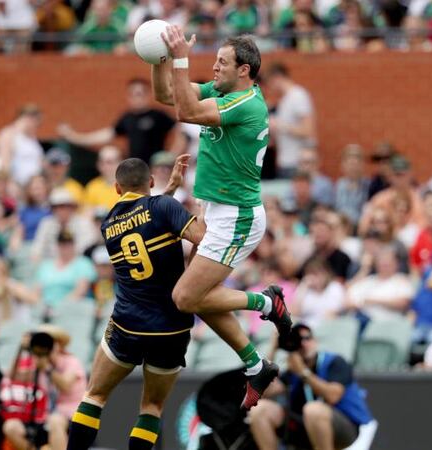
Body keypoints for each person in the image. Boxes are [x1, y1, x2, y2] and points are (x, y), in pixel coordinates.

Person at [67, 157, 272, 450]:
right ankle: (263, 303)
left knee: (94, 397)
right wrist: (202, 209)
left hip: (128, 323)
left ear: (116, 188)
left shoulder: (108, 222)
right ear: (150, 182)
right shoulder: (163, 207)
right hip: (170, 328)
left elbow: (144, 220)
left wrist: (170, 192)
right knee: (151, 407)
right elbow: (198, 235)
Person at [152, 32, 292, 408]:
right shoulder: (226, 94)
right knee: (199, 299)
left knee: (184, 297)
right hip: (216, 211)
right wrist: (157, 57)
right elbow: (168, 96)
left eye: (222, 63)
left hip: (237, 216)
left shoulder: (246, 103)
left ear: (244, 70)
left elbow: (186, 113)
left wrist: (181, 59)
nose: (213, 67)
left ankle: (265, 303)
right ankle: (255, 366)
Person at [249, 324, 374, 450]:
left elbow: (333, 396)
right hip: (305, 425)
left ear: (315, 342)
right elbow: (262, 393)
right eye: (298, 340)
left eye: (307, 338)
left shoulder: (334, 362)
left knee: (313, 410)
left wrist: (303, 372)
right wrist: (273, 348)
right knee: (259, 410)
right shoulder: (293, 370)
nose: (303, 344)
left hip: (345, 426)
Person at [57, 78, 176, 164]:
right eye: (132, 94)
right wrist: (75, 136)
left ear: (148, 95)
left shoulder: (158, 115)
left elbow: (180, 131)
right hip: (136, 168)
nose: (136, 98)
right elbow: (106, 135)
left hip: (157, 168)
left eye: (139, 94)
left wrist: (171, 157)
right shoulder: (127, 118)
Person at [0, 332, 54, 450]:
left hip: (47, 418)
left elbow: (41, 370)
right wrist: (21, 349)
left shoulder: (51, 363)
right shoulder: (27, 361)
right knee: (10, 427)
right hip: (27, 419)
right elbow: (13, 375)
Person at [37, 324, 87, 450]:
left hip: (72, 414)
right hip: (45, 414)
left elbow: (65, 385)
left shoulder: (72, 361)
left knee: (55, 421)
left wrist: (47, 369)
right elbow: (13, 376)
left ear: (58, 344)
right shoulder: (40, 363)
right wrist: (23, 349)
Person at [264, 62, 317, 178]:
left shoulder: (298, 96)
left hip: (297, 162)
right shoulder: (284, 100)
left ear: (277, 77)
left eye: (270, 82)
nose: (271, 88)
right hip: (285, 163)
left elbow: (308, 130)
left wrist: (280, 125)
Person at [34, 230, 96, 318]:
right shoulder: (46, 265)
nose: (65, 247)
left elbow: (80, 291)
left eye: (68, 244)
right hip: (46, 310)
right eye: (62, 244)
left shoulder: (83, 263)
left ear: (74, 244)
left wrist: (58, 308)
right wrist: (44, 307)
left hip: (72, 311)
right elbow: (37, 292)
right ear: (57, 245)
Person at [0, 255, 39, 336]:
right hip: (1, 336)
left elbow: (33, 300)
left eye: (0, 272)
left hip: (20, 332)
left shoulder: (13, 285)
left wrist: (8, 285)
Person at [0, 104, 45, 186]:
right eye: (34, 120)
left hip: (33, 187)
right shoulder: (9, 134)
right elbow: (4, 164)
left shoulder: (33, 140)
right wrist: (10, 184)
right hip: (17, 185)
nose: (36, 125)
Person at [83, 146, 121, 211]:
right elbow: (87, 215)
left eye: (109, 162)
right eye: (102, 162)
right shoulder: (92, 187)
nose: (105, 166)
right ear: (98, 164)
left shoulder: (131, 187)